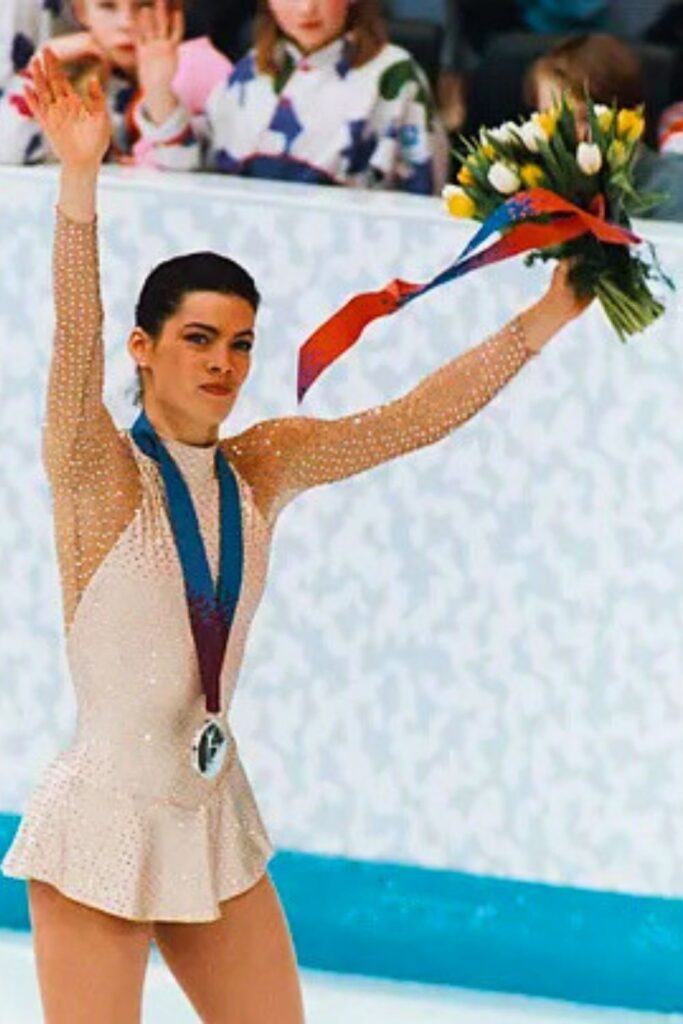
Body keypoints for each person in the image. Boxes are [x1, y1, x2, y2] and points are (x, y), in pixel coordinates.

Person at [0, 47, 591, 1024]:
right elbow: (73, 342)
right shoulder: (101, 472)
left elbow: (409, 418)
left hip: (211, 810)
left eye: (240, 343)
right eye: (197, 338)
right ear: (144, 350)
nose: (223, 363)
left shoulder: (260, 466)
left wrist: (542, 316)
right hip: (102, 823)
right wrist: (79, 182)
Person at [135, 0, 451, 193]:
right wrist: (159, 89)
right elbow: (189, 180)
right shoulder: (252, 72)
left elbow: (421, 195)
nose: (306, 8)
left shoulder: (394, 75)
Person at [0, 0, 231, 168]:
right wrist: (40, 68)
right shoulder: (76, 80)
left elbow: (181, 174)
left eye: (143, 5)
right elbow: (8, 150)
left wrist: (159, 92)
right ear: (81, 11)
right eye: (108, 6)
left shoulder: (203, 68)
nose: (126, 22)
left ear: (173, 7)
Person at [525, 32, 683, 221]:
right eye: (551, 120)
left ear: (629, 116)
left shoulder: (674, 187)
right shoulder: (534, 185)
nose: (567, 135)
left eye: (584, 118)